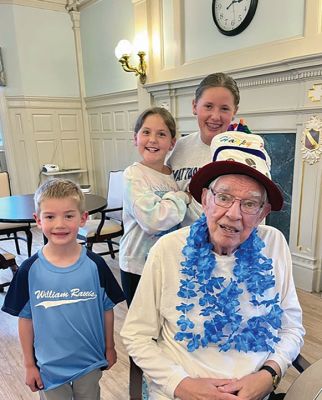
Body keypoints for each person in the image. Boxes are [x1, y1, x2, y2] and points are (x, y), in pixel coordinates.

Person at [121, 129, 305, 400]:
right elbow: (136, 335)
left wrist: (270, 374)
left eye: (250, 204)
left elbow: (292, 327)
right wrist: (181, 384)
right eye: (224, 197)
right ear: (205, 199)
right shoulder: (168, 249)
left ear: (264, 212)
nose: (233, 215)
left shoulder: (274, 244)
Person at [2, 178, 125, 400]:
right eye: (50, 216)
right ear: (38, 220)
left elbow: (107, 310)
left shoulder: (96, 265)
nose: (60, 224)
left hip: (90, 361)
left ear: (83, 218)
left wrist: (110, 347)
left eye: (69, 215)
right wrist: (29, 364)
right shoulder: (29, 270)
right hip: (49, 367)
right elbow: (25, 319)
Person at [119, 106, 191, 399]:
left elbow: (185, 218)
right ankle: (142, 391)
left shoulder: (174, 177)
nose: (153, 139)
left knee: (166, 331)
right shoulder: (133, 175)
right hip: (137, 266)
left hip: (167, 267)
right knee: (143, 334)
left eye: (162, 134)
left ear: (172, 142)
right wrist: (180, 198)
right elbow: (152, 219)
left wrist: (180, 198)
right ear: (135, 138)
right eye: (146, 132)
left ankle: (165, 388)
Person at [167, 72, 240, 225]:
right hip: (181, 240)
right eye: (208, 106)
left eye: (224, 109)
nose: (215, 116)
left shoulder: (245, 153)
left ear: (234, 112)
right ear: (195, 106)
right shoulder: (179, 146)